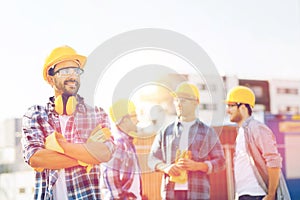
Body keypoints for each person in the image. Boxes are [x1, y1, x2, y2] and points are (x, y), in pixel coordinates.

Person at [21, 45, 114, 199]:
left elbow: (105, 153)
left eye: (76, 71)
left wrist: (59, 146)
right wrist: (86, 156)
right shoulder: (35, 114)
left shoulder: (97, 114)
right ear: (51, 79)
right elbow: (36, 158)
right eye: (65, 71)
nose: (72, 76)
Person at [148, 82, 225, 200]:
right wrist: (166, 168)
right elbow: (152, 159)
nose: (178, 103)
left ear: (195, 102)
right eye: (176, 99)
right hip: (170, 193)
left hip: (198, 193)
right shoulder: (165, 132)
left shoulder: (208, 132)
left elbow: (221, 162)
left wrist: (198, 166)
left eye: (183, 100)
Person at [225, 86, 290, 200]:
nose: (227, 110)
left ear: (243, 107)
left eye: (231, 105)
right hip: (243, 194)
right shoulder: (240, 132)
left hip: (257, 195)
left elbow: (273, 161)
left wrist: (270, 194)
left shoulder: (257, 128)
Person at [100, 99, 143, 200]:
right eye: (134, 116)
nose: (138, 120)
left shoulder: (128, 143)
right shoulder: (119, 144)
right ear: (125, 120)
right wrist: (120, 198)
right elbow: (110, 174)